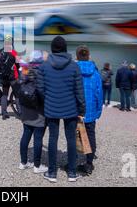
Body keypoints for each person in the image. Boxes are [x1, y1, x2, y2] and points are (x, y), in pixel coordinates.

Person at [37, 36, 85, 183]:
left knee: (53, 138)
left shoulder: (44, 66)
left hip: (51, 107)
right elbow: (79, 90)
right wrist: (82, 109)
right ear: (65, 48)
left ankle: (52, 173)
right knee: (71, 139)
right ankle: (71, 172)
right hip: (71, 108)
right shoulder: (74, 66)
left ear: (52, 49)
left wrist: (48, 100)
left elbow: (40, 89)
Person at [18, 50, 48, 174]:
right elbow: (43, 92)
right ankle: (37, 165)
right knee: (38, 137)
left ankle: (23, 162)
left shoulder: (25, 70)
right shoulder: (43, 72)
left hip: (25, 107)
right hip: (39, 109)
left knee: (26, 134)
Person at [76, 45, 103, 175]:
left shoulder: (73, 71)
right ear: (89, 56)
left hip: (75, 111)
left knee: (73, 135)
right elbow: (99, 94)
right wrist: (98, 112)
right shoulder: (96, 73)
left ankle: (72, 161)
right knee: (91, 135)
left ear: (76, 56)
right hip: (91, 111)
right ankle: (89, 163)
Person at [0, 48, 19, 120]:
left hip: (3, 77)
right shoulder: (13, 52)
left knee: (4, 95)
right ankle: (20, 112)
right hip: (12, 77)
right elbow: (18, 64)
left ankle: (4, 113)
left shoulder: (1, 52)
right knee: (16, 94)